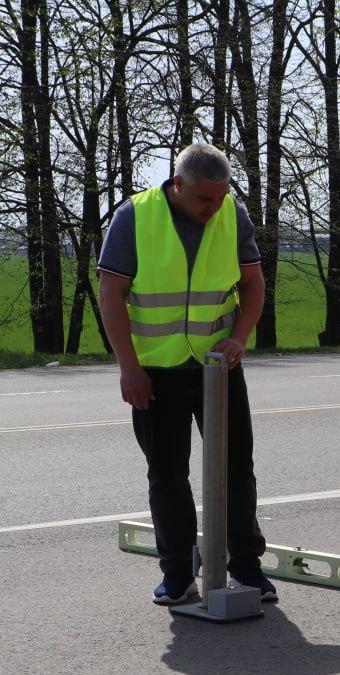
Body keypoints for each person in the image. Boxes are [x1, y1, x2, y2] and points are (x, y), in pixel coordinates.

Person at [98, 143, 277, 606]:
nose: (213, 207)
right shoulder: (135, 216)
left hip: (218, 368)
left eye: (220, 198)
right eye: (204, 200)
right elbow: (111, 293)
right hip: (154, 372)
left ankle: (248, 569)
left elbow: (253, 283)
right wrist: (128, 367)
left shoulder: (232, 215)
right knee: (167, 474)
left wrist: (239, 336)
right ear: (177, 185)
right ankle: (178, 572)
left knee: (237, 468)